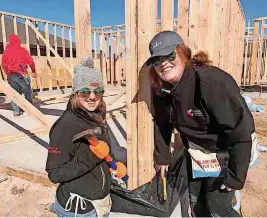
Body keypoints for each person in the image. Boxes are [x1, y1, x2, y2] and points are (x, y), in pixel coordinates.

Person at [147, 31, 255, 217]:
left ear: (183, 53)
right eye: (157, 60)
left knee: (220, 208)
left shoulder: (210, 82)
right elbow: (162, 123)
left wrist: (235, 176)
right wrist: (162, 157)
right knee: (196, 202)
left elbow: (240, 130)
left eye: (169, 55)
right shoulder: (163, 89)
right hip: (199, 152)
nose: (163, 63)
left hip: (228, 150)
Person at [46, 57, 126, 217]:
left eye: (97, 91)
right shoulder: (65, 126)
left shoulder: (96, 115)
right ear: (75, 93)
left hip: (100, 203)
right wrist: (91, 157)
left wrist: (112, 164)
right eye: (85, 91)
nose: (92, 96)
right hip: (78, 209)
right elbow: (54, 173)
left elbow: (102, 150)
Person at [2, 34, 36, 117]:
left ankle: (16, 112)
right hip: (22, 75)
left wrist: (8, 73)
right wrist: (33, 71)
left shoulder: (6, 51)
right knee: (27, 92)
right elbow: (31, 62)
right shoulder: (22, 50)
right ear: (18, 41)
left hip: (11, 75)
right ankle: (29, 110)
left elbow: (4, 64)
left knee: (14, 94)